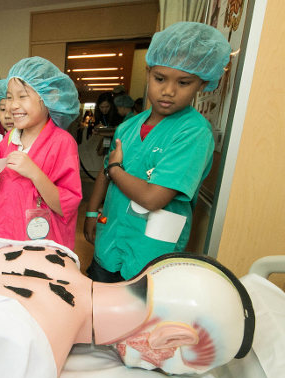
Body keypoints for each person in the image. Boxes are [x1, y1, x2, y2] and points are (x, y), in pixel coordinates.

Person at [0, 237, 254, 378]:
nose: (152, 369)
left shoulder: (53, 252)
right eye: (166, 367)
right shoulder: (30, 350)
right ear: (170, 339)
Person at [83, 21, 232, 282]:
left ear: (202, 83)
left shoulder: (193, 133)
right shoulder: (128, 127)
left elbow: (152, 198)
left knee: (140, 317)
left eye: (184, 82)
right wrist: (92, 212)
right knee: (99, 307)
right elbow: (104, 177)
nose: (168, 91)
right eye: (160, 78)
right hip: (111, 240)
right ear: (148, 71)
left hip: (151, 252)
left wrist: (115, 169)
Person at [0, 57, 82, 249]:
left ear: (48, 97)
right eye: (10, 97)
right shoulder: (8, 140)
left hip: (40, 243)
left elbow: (65, 205)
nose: (13, 106)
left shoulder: (62, 143)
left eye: (22, 96)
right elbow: (6, 188)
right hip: (3, 235)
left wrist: (34, 173)